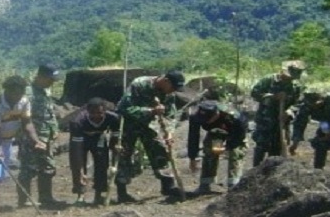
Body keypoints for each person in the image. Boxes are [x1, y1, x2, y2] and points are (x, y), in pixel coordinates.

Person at [115, 69, 186, 203]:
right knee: (124, 154)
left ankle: (168, 186)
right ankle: (122, 192)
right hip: (129, 124)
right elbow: (124, 108)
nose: (173, 91)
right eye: (173, 87)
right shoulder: (139, 84)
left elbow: (170, 114)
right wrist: (151, 111)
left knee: (160, 149)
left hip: (148, 125)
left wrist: (169, 133)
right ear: (165, 80)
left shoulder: (169, 94)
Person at [0, 75, 42, 215]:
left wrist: (36, 140)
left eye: (21, 92)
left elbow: (27, 122)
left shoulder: (24, 101)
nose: (18, 96)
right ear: (7, 90)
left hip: (7, 138)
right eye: (15, 92)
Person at [18, 64, 65, 209]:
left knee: (48, 168)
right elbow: (24, 118)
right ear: (41, 77)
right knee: (28, 169)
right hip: (30, 139)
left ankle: (46, 198)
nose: (52, 82)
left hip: (46, 139)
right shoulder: (27, 94)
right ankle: (24, 200)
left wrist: (54, 130)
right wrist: (33, 138)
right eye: (50, 79)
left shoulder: (44, 92)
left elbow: (48, 115)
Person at [250, 60, 306, 166]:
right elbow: (254, 93)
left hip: (282, 122)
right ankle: (256, 172)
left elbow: (299, 103)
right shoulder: (269, 80)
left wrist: (289, 111)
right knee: (261, 146)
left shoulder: (296, 87)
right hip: (265, 120)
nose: (290, 79)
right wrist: (272, 97)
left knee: (277, 148)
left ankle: (273, 174)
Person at [289, 91, 330, 176]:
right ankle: (318, 169)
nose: (313, 106)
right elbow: (300, 122)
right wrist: (295, 142)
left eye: (316, 104)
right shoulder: (306, 105)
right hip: (326, 121)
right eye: (311, 104)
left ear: (322, 100)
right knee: (320, 142)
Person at [69, 97, 121, 206]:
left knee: (102, 163)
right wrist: (80, 171)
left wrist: (114, 146)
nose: (96, 116)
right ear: (87, 111)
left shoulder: (114, 118)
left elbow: (114, 137)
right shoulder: (77, 121)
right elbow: (77, 150)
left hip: (99, 137)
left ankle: (98, 195)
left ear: (105, 111)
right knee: (78, 166)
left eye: (100, 113)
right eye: (93, 113)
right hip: (81, 139)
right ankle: (80, 195)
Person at [187, 99, 248, 193]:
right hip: (216, 132)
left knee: (236, 153)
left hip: (234, 132)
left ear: (216, 114)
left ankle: (233, 185)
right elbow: (193, 137)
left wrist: (228, 147)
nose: (205, 122)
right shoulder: (195, 116)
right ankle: (205, 183)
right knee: (209, 150)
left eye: (207, 120)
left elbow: (239, 136)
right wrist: (192, 157)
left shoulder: (235, 118)